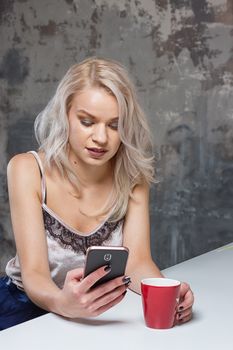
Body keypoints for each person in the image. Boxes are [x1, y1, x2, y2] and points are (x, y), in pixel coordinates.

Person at [0, 57, 194, 330]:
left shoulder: (133, 177)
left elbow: (137, 262)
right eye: (87, 122)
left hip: (100, 309)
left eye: (114, 125)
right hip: (24, 306)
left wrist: (166, 292)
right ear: (65, 114)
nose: (101, 138)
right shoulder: (27, 169)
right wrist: (63, 303)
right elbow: (34, 275)